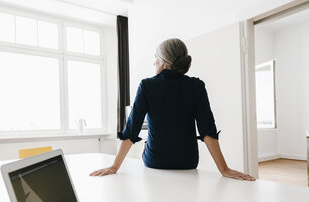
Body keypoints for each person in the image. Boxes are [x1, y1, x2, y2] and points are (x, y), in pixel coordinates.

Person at [90, 38, 255, 181]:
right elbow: (207, 130)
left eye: (155, 57)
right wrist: (224, 169)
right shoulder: (196, 86)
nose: (154, 62)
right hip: (188, 161)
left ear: (163, 61)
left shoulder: (147, 86)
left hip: (155, 161)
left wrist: (114, 166)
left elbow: (131, 130)